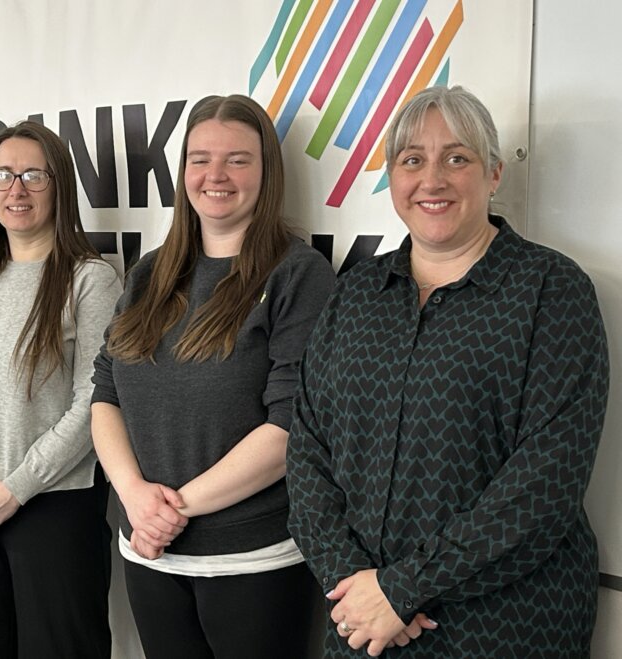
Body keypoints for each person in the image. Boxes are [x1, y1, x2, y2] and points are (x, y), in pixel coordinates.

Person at [287, 85, 610, 658]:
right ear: (392, 176)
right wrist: (355, 585)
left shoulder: (551, 292)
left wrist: (401, 591)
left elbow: (544, 487)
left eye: (456, 158)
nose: (431, 179)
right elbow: (309, 449)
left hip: (503, 628)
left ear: (493, 174)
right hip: (362, 622)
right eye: (413, 159)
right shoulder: (356, 293)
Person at [91, 94, 336, 658]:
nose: (215, 175)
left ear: (267, 172)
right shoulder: (151, 270)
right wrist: (133, 497)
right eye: (200, 158)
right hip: (151, 555)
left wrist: (169, 510)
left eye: (238, 159)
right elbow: (105, 393)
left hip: (253, 561)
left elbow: (293, 427)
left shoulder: (300, 275)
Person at [0, 120, 121, 658]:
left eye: (34, 174)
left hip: (51, 508)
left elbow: (94, 404)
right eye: (3, 174)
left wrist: (16, 488)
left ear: (59, 185)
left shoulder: (90, 280)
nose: (17, 188)